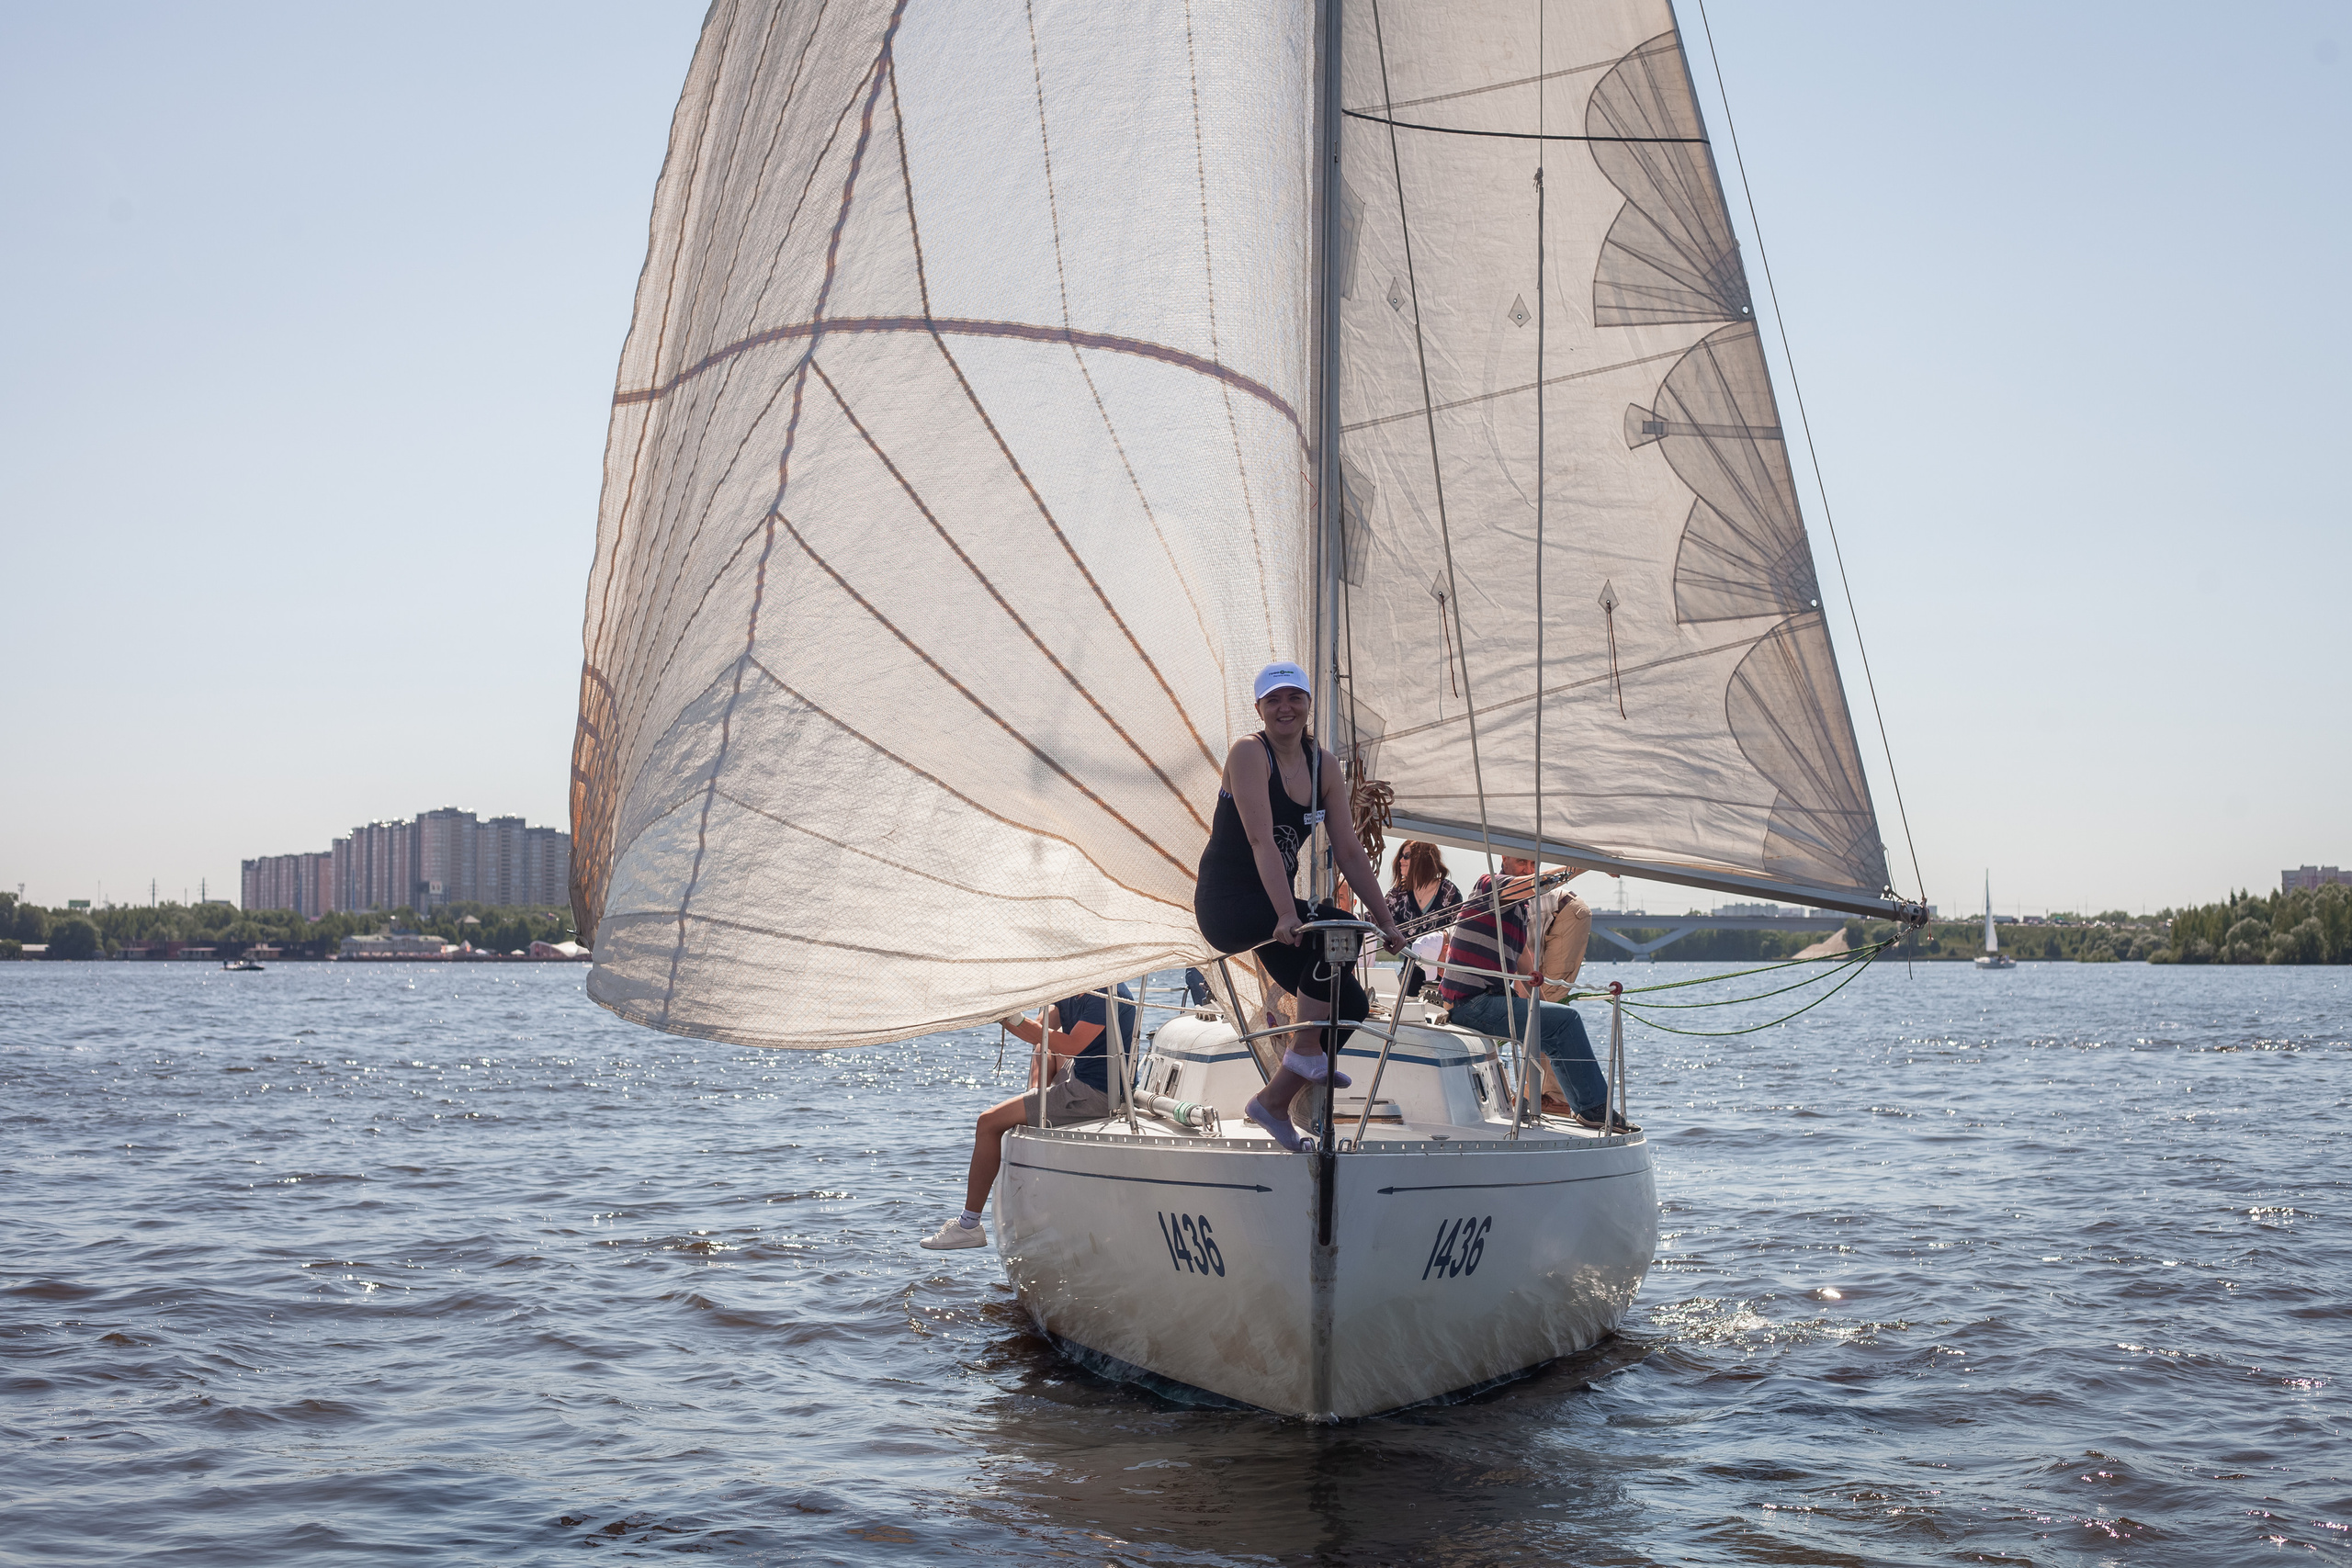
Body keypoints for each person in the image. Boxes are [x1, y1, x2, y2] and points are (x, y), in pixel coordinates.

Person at [1193, 661, 1406, 1151]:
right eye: (1274, 700)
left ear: (1309, 705)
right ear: (1260, 709)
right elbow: (1260, 840)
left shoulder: (1323, 765)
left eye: (1294, 698)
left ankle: (1272, 1101)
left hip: (1276, 908)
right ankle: (1306, 1050)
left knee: (1349, 1003)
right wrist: (1289, 915)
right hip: (1229, 906)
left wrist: (1389, 922)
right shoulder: (1250, 753)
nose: (1284, 708)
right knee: (1336, 927)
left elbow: (1350, 851)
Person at [918, 982, 1138, 1250]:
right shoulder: (1073, 988)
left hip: (1096, 1095)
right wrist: (1003, 1012)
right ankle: (1039, 1104)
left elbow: (1070, 1046)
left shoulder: (1106, 996)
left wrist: (1015, 1018)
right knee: (1042, 1050)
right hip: (1081, 1076)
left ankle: (969, 1226)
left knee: (988, 1123)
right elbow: (1041, 1029)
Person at [1436, 857, 1632, 1133]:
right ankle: (1593, 1108)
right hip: (1470, 1004)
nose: (1528, 869)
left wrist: (1535, 1004)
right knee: (1567, 1022)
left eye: (1532, 864)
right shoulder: (1489, 885)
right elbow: (1537, 885)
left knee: (1553, 1022)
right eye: (1521, 862)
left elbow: (1522, 960)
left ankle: (1577, 1104)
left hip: (1477, 1002)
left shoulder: (1518, 909)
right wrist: (1589, 863)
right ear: (1503, 859)